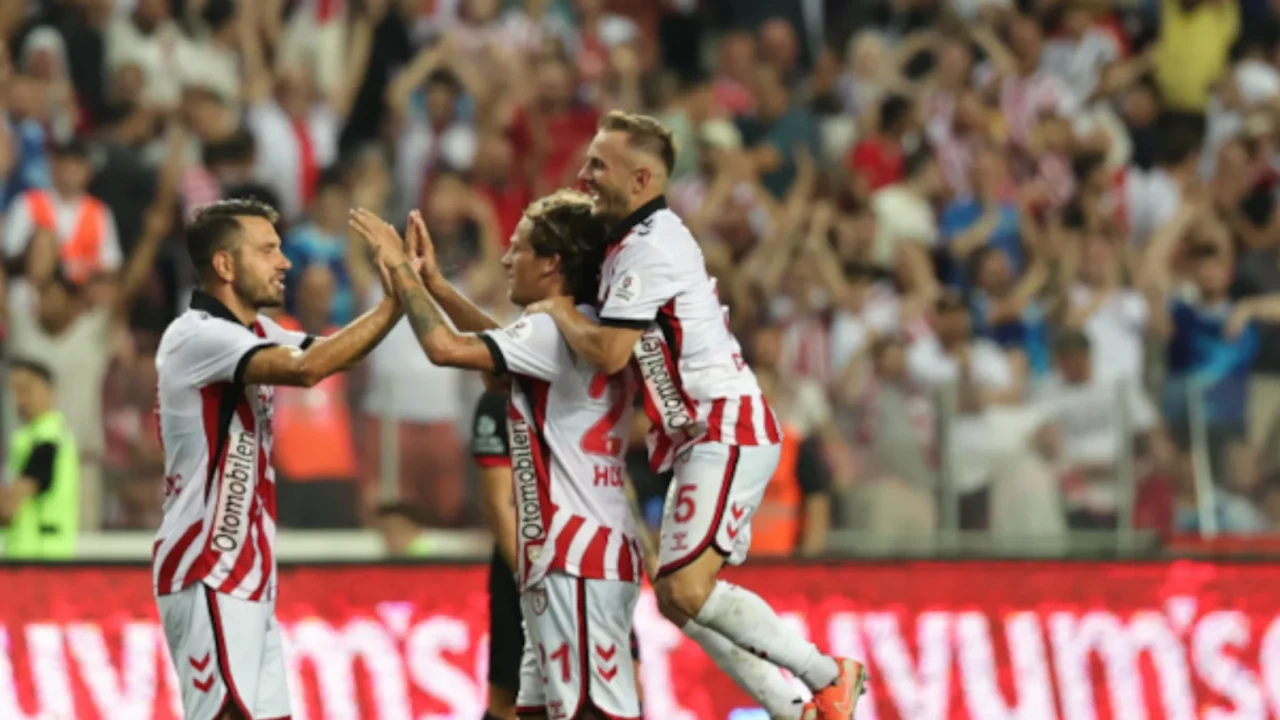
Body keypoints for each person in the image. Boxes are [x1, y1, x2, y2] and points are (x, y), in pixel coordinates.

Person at [530, 110, 866, 720]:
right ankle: (796, 708)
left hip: (725, 426)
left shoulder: (650, 247)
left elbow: (609, 351)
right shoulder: (625, 244)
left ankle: (826, 674)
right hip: (694, 436)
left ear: (641, 179)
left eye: (599, 164)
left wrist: (557, 312)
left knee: (685, 587)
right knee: (676, 597)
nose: (585, 174)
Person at [350, 193, 645, 720]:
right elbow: (502, 352)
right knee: (529, 707)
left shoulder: (550, 328)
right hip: (583, 550)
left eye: (519, 248)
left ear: (551, 263)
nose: (507, 259)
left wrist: (401, 271)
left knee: (591, 711)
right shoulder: (580, 328)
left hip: (575, 557)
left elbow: (445, 348)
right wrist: (437, 287)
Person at [151, 198, 403, 720]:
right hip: (208, 566)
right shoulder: (197, 335)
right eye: (267, 250)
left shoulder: (257, 333)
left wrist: (401, 295)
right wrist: (393, 300)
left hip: (247, 574)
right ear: (225, 264)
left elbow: (335, 353)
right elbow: (308, 369)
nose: (284, 261)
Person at [0, 359, 80, 559]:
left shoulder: (48, 441)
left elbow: (9, 507)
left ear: (50, 391)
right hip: (26, 555)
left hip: (43, 557)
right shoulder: (27, 439)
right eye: (15, 392)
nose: (20, 399)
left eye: (26, 390)